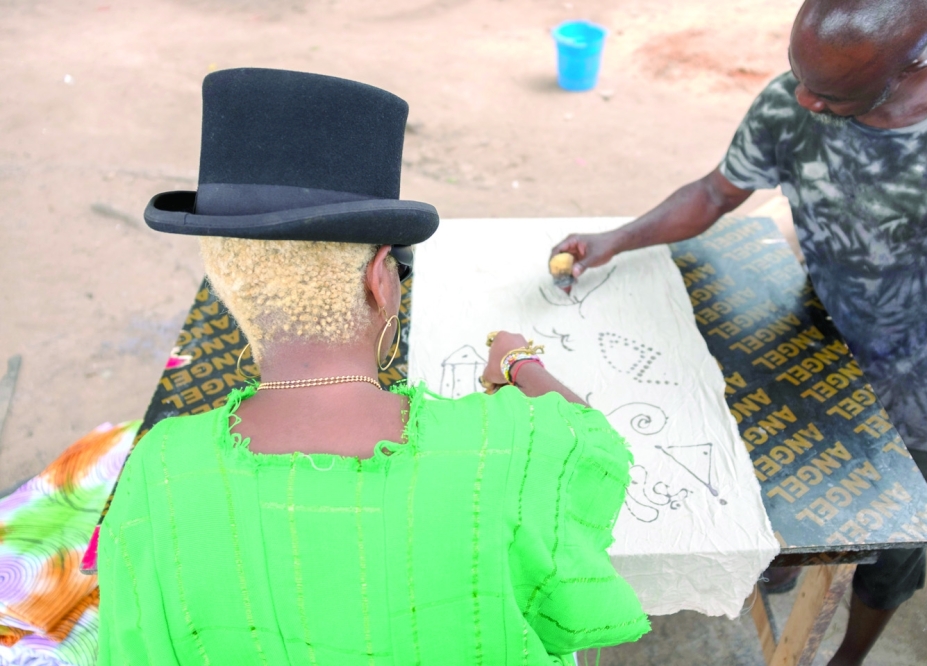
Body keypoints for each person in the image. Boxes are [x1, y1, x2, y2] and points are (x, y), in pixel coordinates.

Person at [97, 68, 649, 664]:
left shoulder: (161, 468)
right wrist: (516, 361)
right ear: (379, 279)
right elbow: (597, 448)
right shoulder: (502, 452)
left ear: (226, 283)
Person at [552, 0, 927, 664]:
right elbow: (715, 194)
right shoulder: (793, 102)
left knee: (890, 549)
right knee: (790, 495)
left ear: (912, 62)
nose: (807, 103)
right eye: (801, 77)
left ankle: (849, 654)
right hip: (818, 347)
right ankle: (785, 564)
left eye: (833, 94)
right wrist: (616, 239)